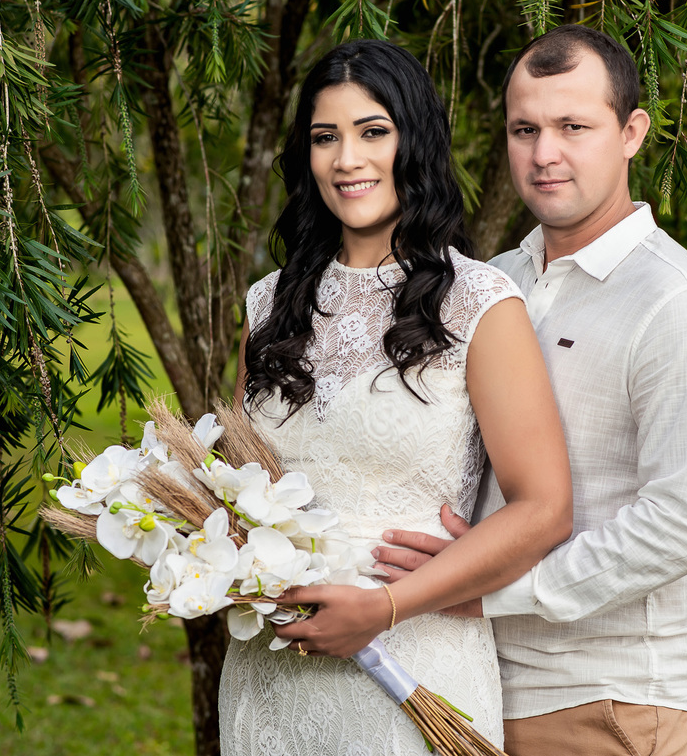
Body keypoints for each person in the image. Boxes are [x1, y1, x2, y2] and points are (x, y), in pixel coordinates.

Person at [374, 25, 687, 756]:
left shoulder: (677, 305)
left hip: (605, 694)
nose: (544, 154)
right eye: (525, 129)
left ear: (631, 132)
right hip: (471, 674)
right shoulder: (495, 282)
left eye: (573, 126)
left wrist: (487, 590)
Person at [221, 39, 573, 755]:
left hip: (413, 666)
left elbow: (545, 507)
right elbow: (232, 484)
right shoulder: (267, 305)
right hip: (267, 678)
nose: (347, 159)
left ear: (413, 141)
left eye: (372, 131)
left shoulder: (479, 303)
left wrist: (384, 606)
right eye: (326, 137)